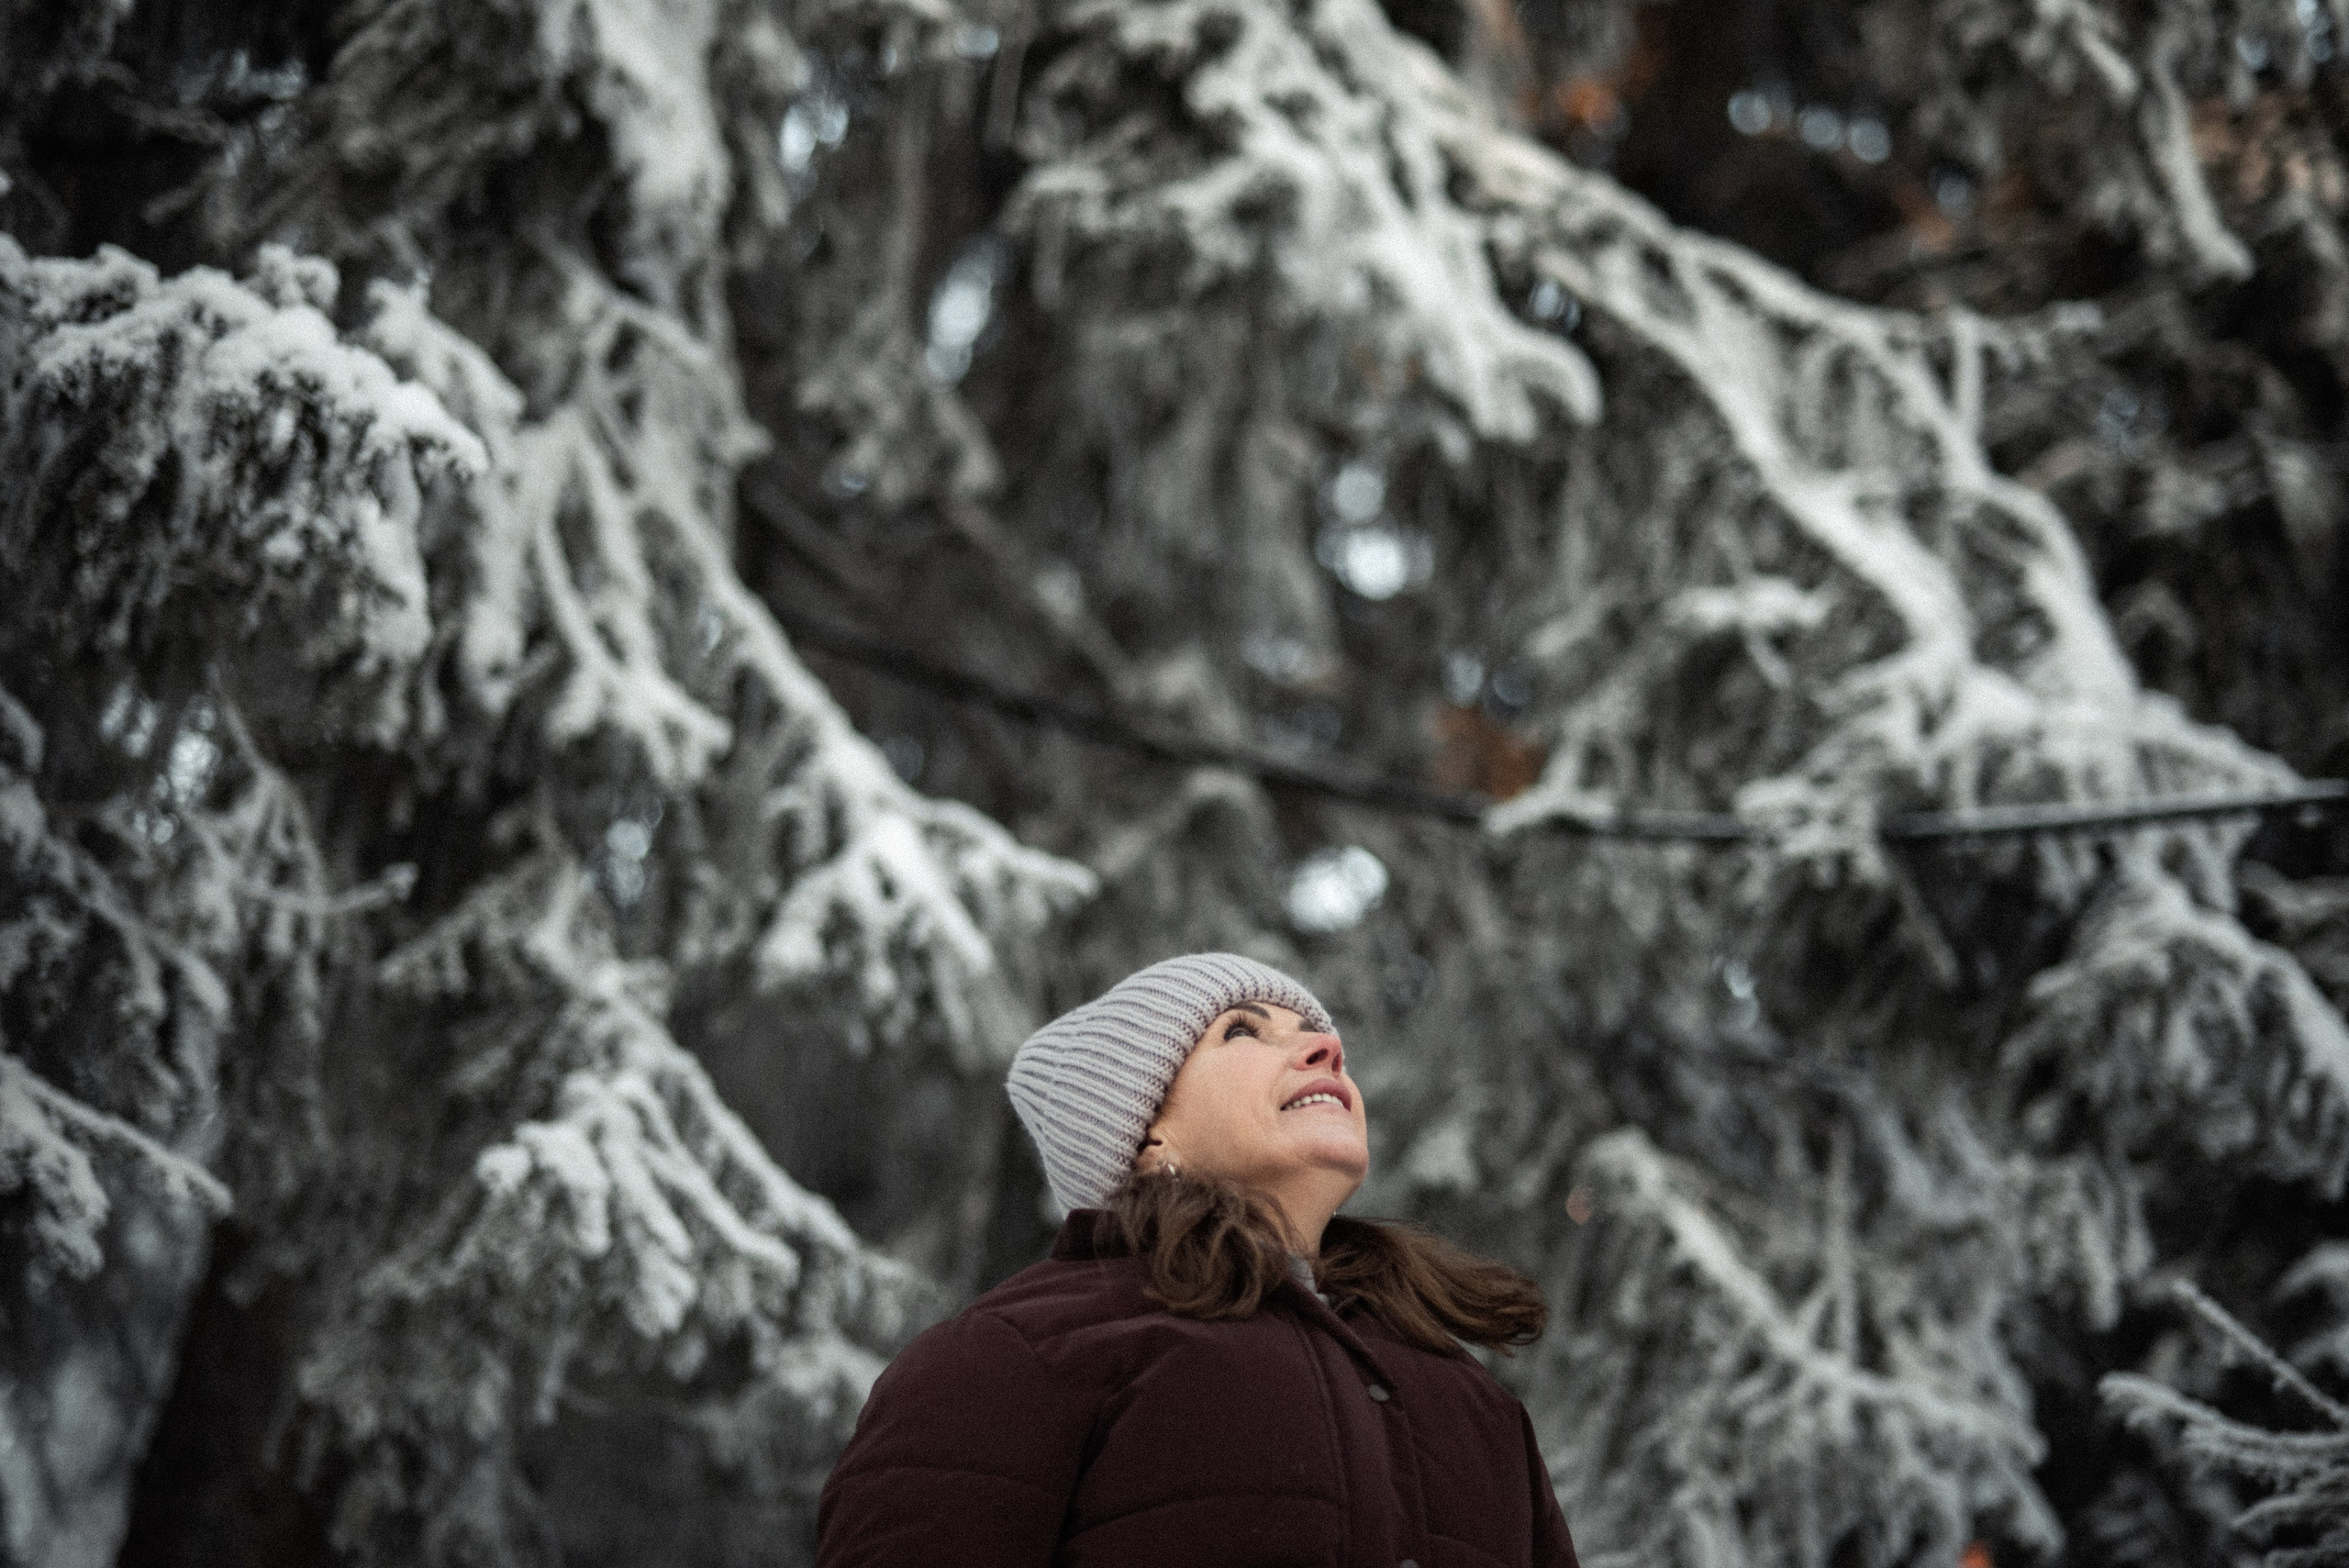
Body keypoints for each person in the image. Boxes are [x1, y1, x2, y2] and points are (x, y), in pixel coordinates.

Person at [816, 952, 1579, 1568]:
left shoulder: (1472, 1399)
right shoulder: (1018, 1352)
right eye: (1243, 1032)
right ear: (1145, 1134)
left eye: (1316, 1031)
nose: (1327, 1047)